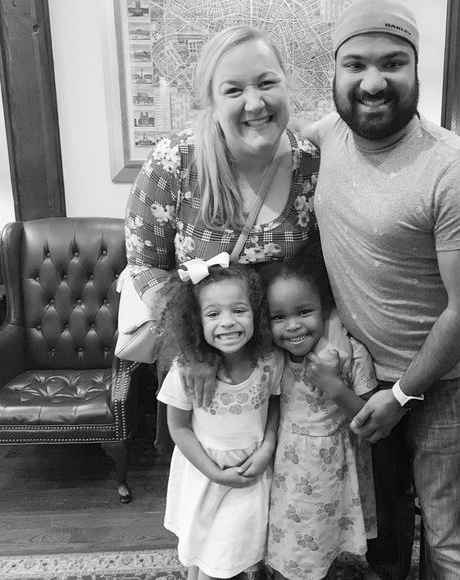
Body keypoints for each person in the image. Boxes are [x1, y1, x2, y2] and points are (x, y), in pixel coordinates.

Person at [295, 1, 460, 578]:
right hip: (363, 377)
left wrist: (404, 394)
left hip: (444, 384)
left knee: (451, 541)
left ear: (416, 70)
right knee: (380, 527)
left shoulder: (457, 170)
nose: (372, 82)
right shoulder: (327, 137)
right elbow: (261, 138)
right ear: (335, 73)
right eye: (355, 64)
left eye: (392, 63)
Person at [124, 25, 320, 406]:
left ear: (287, 85)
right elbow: (144, 266)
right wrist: (195, 349)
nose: (255, 103)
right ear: (211, 102)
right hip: (201, 372)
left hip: (288, 375)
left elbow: (322, 270)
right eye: (233, 90)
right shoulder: (174, 162)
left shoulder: (312, 165)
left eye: (266, 83)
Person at [156, 260, 283, 580]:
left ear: (257, 313)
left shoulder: (270, 361)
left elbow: (274, 404)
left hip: (250, 475)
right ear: (196, 321)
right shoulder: (185, 370)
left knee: (230, 557)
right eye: (213, 314)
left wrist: (267, 447)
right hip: (205, 475)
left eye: (239, 310)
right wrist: (213, 472)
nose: (227, 322)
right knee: (205, 553)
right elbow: (178, 427)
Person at [261, 257, 378, 580]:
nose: (293, 326)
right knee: (291, 554)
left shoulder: (351, 353)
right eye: (278, 317)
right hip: (290, 478)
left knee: (328, 548)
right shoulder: (273, 359)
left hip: (338, 476)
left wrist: (334, 386)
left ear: (325, 309)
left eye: (303, 312)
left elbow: (370, 422)